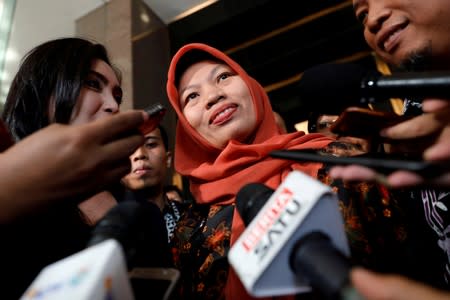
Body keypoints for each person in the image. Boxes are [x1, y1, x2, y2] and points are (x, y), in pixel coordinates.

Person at [165, 43, 435, 300]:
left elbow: (413, 259)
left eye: (223, 77)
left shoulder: (340, 160)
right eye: (192, 96)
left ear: (251, 86)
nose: (213, 96)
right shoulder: (191, 227)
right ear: (186, 128)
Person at [0, 37, 159, 299]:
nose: (113, 105)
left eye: (118, 96)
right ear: (43, 92)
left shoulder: (143, 213)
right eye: (92, 84)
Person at [121, 125, 184, 242]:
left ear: (168, 159)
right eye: (129, 147)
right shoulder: (106, 223)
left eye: (150, 144)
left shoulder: (192, 218)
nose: (140, 154)